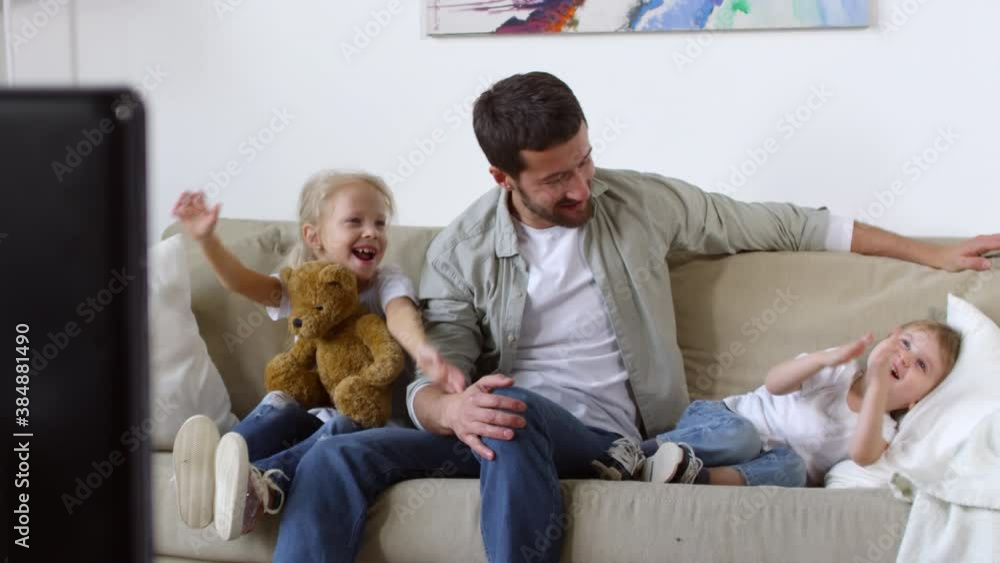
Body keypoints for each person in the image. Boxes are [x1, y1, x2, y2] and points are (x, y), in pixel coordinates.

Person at [264, 72, 1000, 563]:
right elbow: (436, 370)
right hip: (499, 430)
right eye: (557, 176)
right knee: (338, 453)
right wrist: (447, 403)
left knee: (509, 404)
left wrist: (927, 251)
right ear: (503, 178)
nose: (583, 185)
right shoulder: (463, 248)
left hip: (606, 436)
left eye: (585, 159)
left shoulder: (637, 203)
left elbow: (786, 222)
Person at [168, 170, 466, 540]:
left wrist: (424, 352)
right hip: (308, 414)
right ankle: (211, 472)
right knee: (277, 402)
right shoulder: (301, 284)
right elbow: (242, 283)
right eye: (354, 221)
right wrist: (207, 239)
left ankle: (263, 485)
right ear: (315, 237)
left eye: (380, 223)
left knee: (341, 428)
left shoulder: (387, 281)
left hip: (358, 419)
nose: (372, 231)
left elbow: (400, 314)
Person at [639, 321, 961, 487]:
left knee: (792, 471)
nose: (905, 358)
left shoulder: (884, 429)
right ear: (888, 340)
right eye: (905, 344)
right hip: (720, 423)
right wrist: (823, 359)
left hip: (753, 466)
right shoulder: (839, 369)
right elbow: (775, 383)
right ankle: (641, 454)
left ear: (918, 400)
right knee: (744, 437)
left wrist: (877, 386)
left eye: (921, 365)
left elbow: (863, 455)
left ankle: (687, 475)